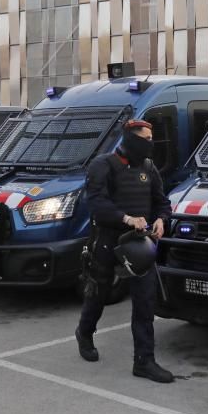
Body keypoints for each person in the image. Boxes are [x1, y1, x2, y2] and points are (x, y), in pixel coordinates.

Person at [75, 119, 174, 383]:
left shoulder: (149, 168)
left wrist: (162, 219)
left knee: (144, 302)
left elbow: (161, 202)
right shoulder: (103, 166)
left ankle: (144, 361)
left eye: (152, 138)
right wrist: (127, 218)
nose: (150, 143)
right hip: (108, 240)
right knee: (99, 293)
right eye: (145, 138)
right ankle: (84, 333)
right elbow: (97, 205)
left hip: (139, 244)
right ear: (130, 139)